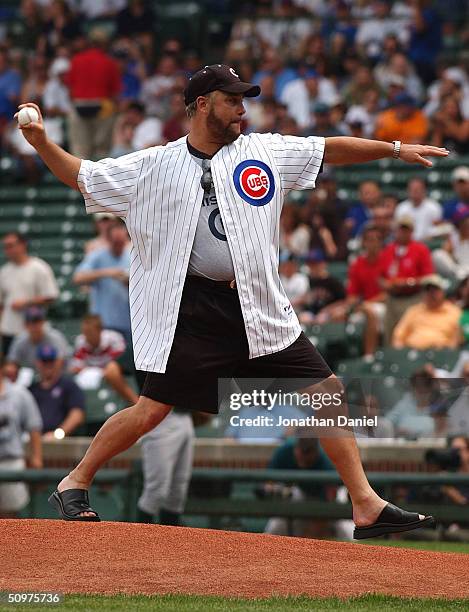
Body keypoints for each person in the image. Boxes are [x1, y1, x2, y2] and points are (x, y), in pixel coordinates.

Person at [17, 63, 447, 537]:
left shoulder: (265, 150)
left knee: (327, 392)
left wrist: (394, 149)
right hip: (192, 308)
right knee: (153, 408)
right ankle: (75, 480)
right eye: (232, 99)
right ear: (202, 105)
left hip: (257, 304)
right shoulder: (153, 165)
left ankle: (365, 504)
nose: (242, 109)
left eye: (244, 99)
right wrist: (39, 141)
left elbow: (329, 149)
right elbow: (82, 175)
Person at [263, 434, 336, 538]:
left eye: (308, 452)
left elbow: (329, 502)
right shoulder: (285, 450)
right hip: (292, 497)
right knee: (274, 529)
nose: (304, 455)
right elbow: (268, 481)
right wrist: (272, 488)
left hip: (320, 503)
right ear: (296, 448)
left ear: (315, 451)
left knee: (346, 531)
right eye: (302, 451)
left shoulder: (325, 461)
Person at [0, 232, 59, 355]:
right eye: (5, 247)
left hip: (33, 331)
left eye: (11, 245)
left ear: (22, 245)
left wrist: (26, 303)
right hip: (9, 330)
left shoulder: (38, 267)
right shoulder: (4, 272)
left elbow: (51, 296)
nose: (8, 250)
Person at [73, 220, 131, 344]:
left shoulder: (132, 255)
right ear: (108, 240)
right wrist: (106, 273)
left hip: (128, 322)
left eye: (122, 242)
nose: (119, 245)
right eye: (116, 242)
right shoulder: (97, 256)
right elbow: (78, 277)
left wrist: (129, 282)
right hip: (103, 323)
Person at [380, 215, 434, 344]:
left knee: (407, 335)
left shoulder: (420, 249)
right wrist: (385, 284)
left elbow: (428, 278)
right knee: (390, 335)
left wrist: (408, 282)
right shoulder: (389, 250)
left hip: (413, 298)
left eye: (406, 229)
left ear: (411, 231)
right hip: (392, 298)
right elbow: (380, 276)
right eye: (400, 229)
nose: (402, 233)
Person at [0, 355, 43, 518]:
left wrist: (37, 457)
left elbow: (34, 426)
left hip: (11, 461)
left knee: (11, 517)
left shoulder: (19, 393)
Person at [136, 409, 194, 526]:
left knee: (177, 494)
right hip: (161, 417)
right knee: (156, 491)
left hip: (185, 416)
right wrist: (141, 405)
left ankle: (170, 542)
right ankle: (139, 541)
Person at [70, 314, 138, 405]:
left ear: (99, 330)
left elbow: (120, 364)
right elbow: (75, 368)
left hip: (114, 376)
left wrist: (98, 371)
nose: (87, 336)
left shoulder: (114, 338)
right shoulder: (80, 341)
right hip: (93, 379)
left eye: (90, 332)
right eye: (85, 332)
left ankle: (135, 403)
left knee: (112, 373)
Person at [29, 345, 85, 440]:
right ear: (38, 363)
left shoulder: (69, 386)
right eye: (44, 362)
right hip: (33, 437)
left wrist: (58, 434)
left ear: (58, 362)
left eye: (51, 361)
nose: (48, 365)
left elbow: (77, 415)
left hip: (60, 440)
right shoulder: (32, 389)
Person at [392, 274, 461, 351]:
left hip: (441, 354)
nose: (431, 294)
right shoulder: (414, 310)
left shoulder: (454, 312)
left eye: (435, 289)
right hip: (413, 353)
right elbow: (398, 336)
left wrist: (449, 352)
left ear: (443, 292)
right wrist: (400, 353)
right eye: (427, 290)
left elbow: (457, 339)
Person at [5, 306, 71, 382]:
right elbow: (11, 363)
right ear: (25, 325)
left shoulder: (55, 338)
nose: (35, 326)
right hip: (30, 377)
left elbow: (59, 363)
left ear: (43, 322)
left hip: (56, 378)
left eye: (38, 321)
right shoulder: (20, 340)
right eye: (32, 322)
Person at [395, 177, 442, 242]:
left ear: (424, 190)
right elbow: (399, 229)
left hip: (428, 242)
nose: (415, 191)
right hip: (407, 243)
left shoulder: (433, 207)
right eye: (412, 189)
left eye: (418, 189)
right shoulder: (401, 208)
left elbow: (438, 229)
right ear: (408, 191)